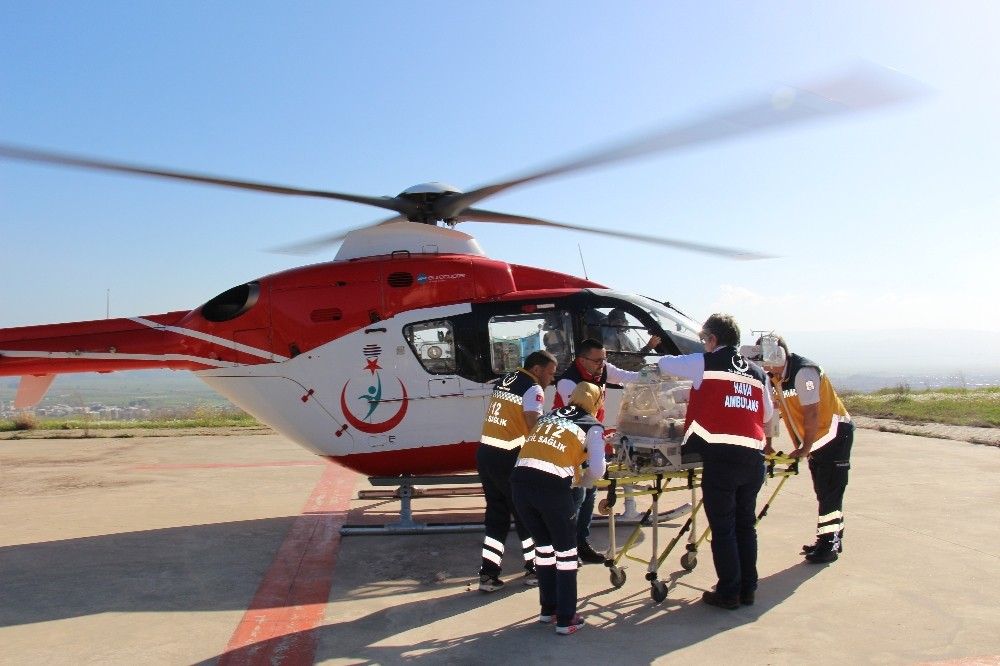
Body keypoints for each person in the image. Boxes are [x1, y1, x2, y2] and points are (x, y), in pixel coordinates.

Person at [657, 313, 772, 610]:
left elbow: (666, 364)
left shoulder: (704, 362)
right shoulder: (758, 373)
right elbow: (768, 414)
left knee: (724, 529)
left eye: (704, 340)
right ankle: (748, 589)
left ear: (713, 339)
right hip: (753, 458)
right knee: (746, 526)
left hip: (722, 459)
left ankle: (729, 592)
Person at [510, 381, 607, 635]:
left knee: (544, 548)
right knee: (566, 553)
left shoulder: (549, 417)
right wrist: (585, 481)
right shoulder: (592, 425)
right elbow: (598, 469)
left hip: (520, 485)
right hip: (552, 489)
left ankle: (549, 609)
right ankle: (566, 618)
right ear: (596, 402)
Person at [553, 338, 649, 564]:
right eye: (597, 361)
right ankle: (565, 547)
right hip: (569, 441)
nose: (602, 365)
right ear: (582, 360)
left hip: (589, 436)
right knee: (575, 497)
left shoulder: (603, 368)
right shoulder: (567, 382)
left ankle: (581, 542)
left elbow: (629, 377)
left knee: (589, 494)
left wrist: (653, 375)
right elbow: (581, 413)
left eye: (604, 359)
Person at [760, 335, 853, 564]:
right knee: (823, 491)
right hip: (816, 441)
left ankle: (828, 544)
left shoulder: (804, 373)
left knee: (830, 492)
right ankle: (830, 538)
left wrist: (805, 447)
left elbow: (812, 412)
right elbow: (771, 411)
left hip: (833, 435)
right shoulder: (774, 378)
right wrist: (768, 443)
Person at [477, 349, 558, 592]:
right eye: (550, 373)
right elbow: (533, 422)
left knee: (497, 517)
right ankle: (535, 570)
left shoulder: (506, 380)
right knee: (527, 514)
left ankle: (488, 575)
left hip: (487, 454)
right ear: (537, 369)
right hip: (510, 458)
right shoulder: (533, 388)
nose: (552, 379)